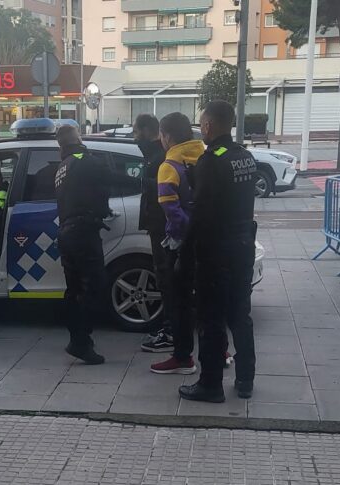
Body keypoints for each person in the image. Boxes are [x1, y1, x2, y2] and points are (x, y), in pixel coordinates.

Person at [180, 100, 257, 403]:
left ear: (210, 125)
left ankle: (210, 383)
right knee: (240, 314)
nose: (201, 129)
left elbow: (202, 213)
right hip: (242, 246)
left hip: (216, 251)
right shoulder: (245, 156)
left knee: (211, 318)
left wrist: (186, 255)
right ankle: (246, 378)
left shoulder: (211, 160)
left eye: (202, 124)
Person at [54, 125, 126, 364]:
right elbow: (114, 179)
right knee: (95, 286)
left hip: (67, 233)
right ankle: (81, 341)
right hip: (84, 232)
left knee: (73, 290)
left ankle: (78, 340)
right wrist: (151, 181)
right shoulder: (84, 159)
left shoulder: (63, 166)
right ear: (77, 139)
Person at [148, 113, 205, 375]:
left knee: (178, 302)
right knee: (203, 300)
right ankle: (220, 350)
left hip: (181, 244)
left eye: (161, 135)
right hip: (209, 240)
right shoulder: (206, 156)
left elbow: (170, 207)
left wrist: (183, 238)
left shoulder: (169, 165)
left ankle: (182, 358)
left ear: (167, 136)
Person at [133, 115, 173, 353]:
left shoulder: (160, 157)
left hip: (163, 227)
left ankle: (170, 331)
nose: (135, 138)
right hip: (156, 225)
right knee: (162, 277)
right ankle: (168, 327)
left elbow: (162, 189)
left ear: (149, 130)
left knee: (167, 279)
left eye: (137, 132)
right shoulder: (152, 155)